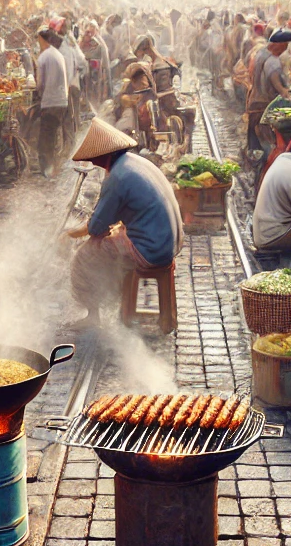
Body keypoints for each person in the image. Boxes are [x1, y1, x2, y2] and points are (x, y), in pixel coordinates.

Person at [64, 120, 183, 328]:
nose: (93, 163)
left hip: (150, 250)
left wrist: (69, 234)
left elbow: (95, 228)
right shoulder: (137, 162)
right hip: (171, 242)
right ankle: (135, 309)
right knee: (114, 238)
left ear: (103, 156)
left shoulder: (117, 177)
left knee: (85, 255)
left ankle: (93, 316)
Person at [246, 30, 291, 158]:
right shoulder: (272, 61)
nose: (283, 51)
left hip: (254, 100)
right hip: (266, 105)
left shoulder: (261, 53)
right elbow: (277, 83)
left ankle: (255, 163)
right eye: (283, 47)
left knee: (254, 138)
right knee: (268, 142)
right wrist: (285, 92)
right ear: (277, 45)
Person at [34, 28, 72, 177]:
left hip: (50, 101)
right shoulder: (58, 54)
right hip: (62, 100)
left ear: (42, 40)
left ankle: (47, 169)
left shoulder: (44, 57)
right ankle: (52, 166)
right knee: (53, 135)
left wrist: (39, 95)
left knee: (45, 138)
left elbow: (40, 84)